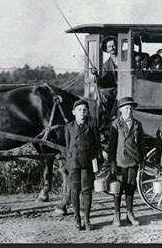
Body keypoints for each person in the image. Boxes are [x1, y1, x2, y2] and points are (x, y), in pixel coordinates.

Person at [108, 97, 146, 227]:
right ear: (120, 110)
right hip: (120, 162)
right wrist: (112, 163)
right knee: (118, 189)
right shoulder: (116, 124)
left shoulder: (137, 124)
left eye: (130, 108)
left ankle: (130, 213)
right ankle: (116, 214)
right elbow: (111, 146)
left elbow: (141, 144)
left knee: (130, 188)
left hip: (133, 161)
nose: (128, 110)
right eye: (126, 108)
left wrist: (142, 160)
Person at [64, 99, 101, 230]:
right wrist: (68, 162)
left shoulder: (92, 126)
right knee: (74, 190)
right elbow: (68, 146)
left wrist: (96, 163)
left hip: (87, 163)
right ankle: (77, 219)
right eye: (79, 110)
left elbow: (97, 146)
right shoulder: (69, 127)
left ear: (87, 112)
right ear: (74, 112)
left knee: (87, 190)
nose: (82, 112)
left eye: (84, 110)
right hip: (73, 163)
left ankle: (87, 218)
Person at [92, 36, 118, 119]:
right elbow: (103, 81)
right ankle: (105, 117)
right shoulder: (106, 65)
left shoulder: (126, 57)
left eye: (114, 45)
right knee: (101, 94)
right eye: (109, 46)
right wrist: (96, 74)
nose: (112, 48)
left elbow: (144, 56)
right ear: (107, 50)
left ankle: (113, 115)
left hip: (128, 86)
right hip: (114, 88)